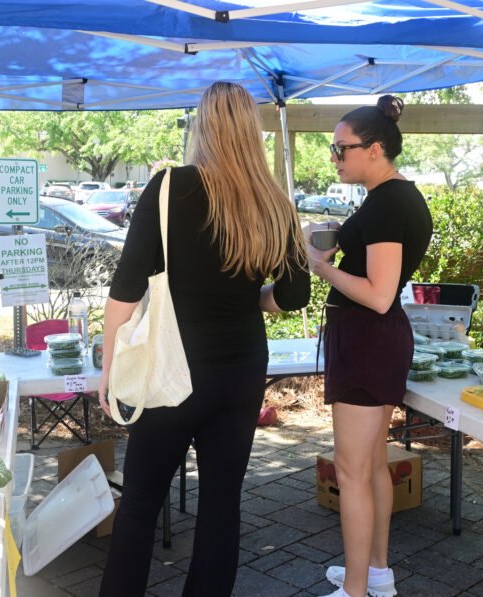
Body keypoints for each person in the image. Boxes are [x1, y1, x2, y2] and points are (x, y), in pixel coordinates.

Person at [97, 81, 311, 597]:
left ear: (202, 126)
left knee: (141, 502)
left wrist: (109, 367)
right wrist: (250, 299)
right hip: (241, 372)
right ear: (252, 131)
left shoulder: (169, 187)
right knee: (221, 505)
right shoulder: (274, 202)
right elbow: (294, 294)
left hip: (172, 369)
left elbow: (126, 290)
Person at [305, 95, 432, 597]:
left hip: (366, 338)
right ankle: (376, 574)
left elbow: (380, 294)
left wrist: (322, 268)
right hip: (373, 340)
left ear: (374, 149)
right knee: (372, 464)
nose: (334, 157)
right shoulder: (394, 197)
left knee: (353, 471)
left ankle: (355, 590)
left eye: (342, 148)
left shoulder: (385, 204)